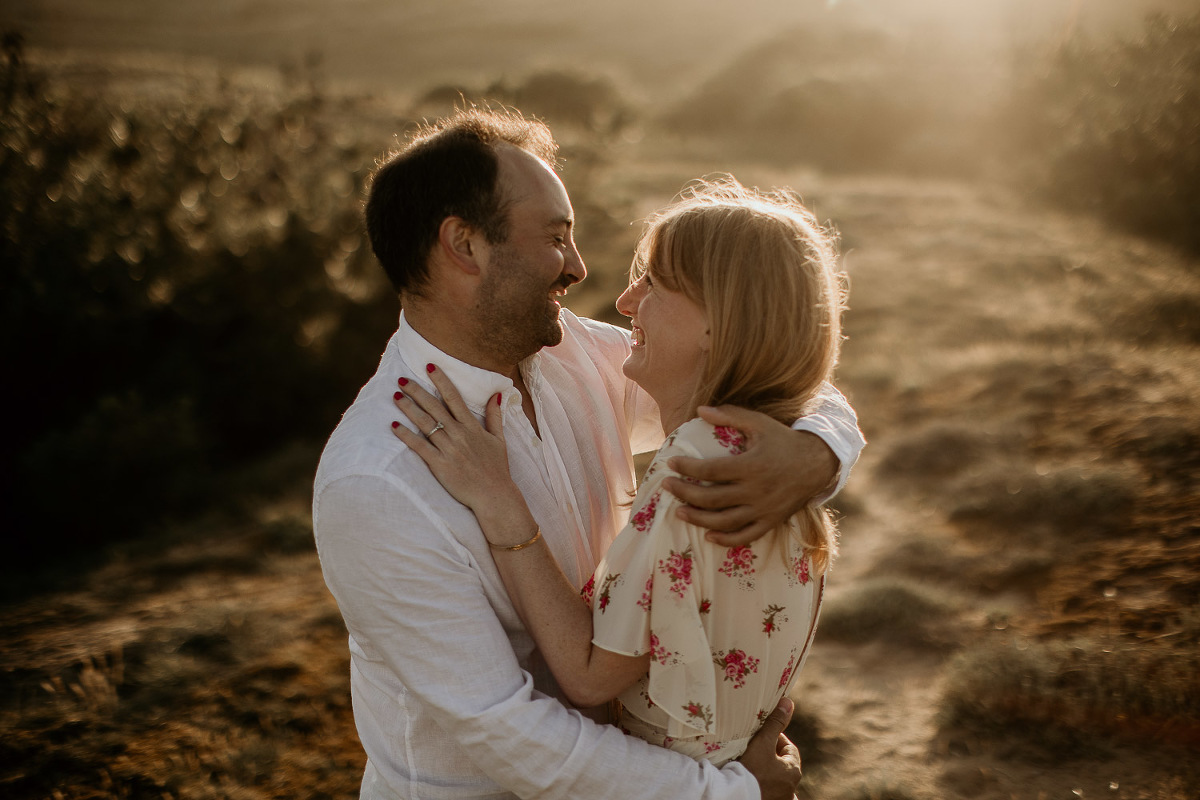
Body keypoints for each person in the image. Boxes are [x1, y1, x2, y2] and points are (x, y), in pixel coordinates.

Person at [313, 107, 865, 799]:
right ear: (465, 246)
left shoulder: (572, 352)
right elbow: (506, 730)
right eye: (555, 237)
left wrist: (815, 454)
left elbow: (760, 368)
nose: (579, 266)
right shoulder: (377, 481)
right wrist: (729, 793)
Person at [392, 176, 843, 766]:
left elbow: (587, 675)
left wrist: (498, 499)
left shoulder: (697, 475)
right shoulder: (766, 452)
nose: (626, 302)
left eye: (653, 284)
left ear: (718, 322)